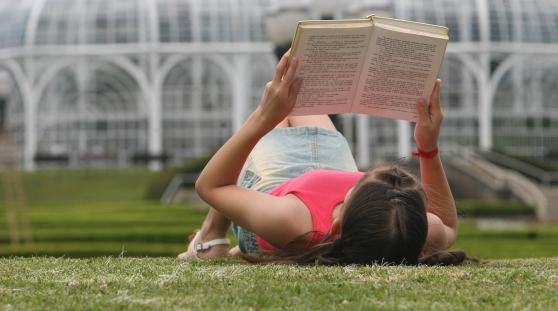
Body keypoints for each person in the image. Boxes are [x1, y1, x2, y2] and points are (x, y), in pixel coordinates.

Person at [178, 51, 465, 266]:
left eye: (360, 186)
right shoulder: (407, 229)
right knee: (301, 94)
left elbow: (214, 187)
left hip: (278, 188)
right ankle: (222, 243)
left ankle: (211, 236)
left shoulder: (293, 222)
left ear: (336, 228)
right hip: (327, 161)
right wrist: (428, 147)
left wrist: (262, 119)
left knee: (282, 98)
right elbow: (448, 225)